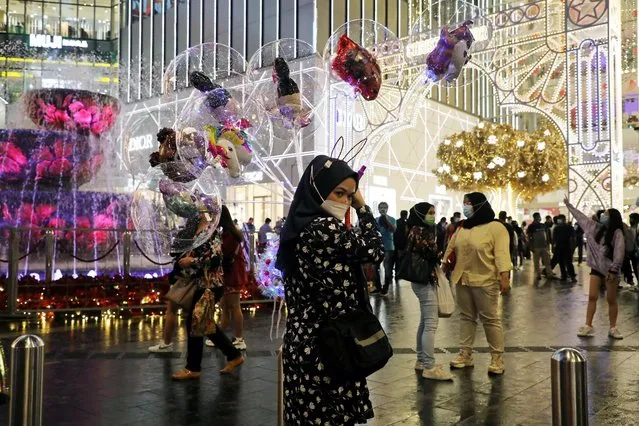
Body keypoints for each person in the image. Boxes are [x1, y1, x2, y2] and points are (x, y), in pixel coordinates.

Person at [276, 155, 384, 425]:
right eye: (339, 193)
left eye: (350, 196)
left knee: (309, 417)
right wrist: (364, 208)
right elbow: (374, 250)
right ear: (318, 189)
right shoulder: (323, 227)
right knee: (331, 417)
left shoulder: (300, 226)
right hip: (328, 345)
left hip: (305, 339)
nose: (345, 201)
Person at [444, 192, 511, 375]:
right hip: (462, 278)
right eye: (464, 203)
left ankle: (497, 357)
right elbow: (451, 247)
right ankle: (465, 354)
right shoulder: (463, 227)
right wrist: (442, 268)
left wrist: (504, 276)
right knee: (466, 317)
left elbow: (502, 253)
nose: (466, 206)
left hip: (485, 280)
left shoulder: (496, 227)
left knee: (490, 319)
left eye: (469, 203)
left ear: (479, 205)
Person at [172, 215, 244, 380]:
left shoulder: (210, 232)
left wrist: (192, 260)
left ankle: (193, 367)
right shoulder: (194, 232)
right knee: (202, 323)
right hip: (200, 283)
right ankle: (233, 355)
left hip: (211, 284)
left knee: (195, 322)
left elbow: (215, 258)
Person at [564, 196, 625, 339]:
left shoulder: (617, 233)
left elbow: (619, 252)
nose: (603, 215)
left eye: (606, 214)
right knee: (592, 296)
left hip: (611, 271)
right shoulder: (594, 228)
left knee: (611, 299)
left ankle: (613, 327)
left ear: (612, 218)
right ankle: (588, 325)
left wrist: (614, 269)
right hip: (596, 269)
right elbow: (580, 217)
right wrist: (569, 205)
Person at [406, 202, 453, 381]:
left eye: (434, 212)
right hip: (424, 280)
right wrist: (438, 252)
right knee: (431, 324)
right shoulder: (420, 231)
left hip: (421, 280)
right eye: (429, 212)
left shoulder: (415, 229)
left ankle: (421, 360)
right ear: (420, 214)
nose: (432, 215)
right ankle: (429, 366)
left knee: (425, 322)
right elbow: (432, 253)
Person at [218, 206, 248, 350]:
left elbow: (224, 254)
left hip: (232, 274)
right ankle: (220, 336)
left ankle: (239, 339)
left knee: (234, 306)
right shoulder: (230, 232)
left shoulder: (228, 234)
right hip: (233, 273)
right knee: (225, 306)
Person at [374, 202, 396, 295]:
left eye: (384, 207)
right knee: (375, 267)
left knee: (387, 267)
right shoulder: (376, 219)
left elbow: (393, 230)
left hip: (388, 246)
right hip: (378, 246)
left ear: (387, 209)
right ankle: (378, 287)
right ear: (378, 209)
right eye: (381, 207)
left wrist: (386, 219)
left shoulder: (392, 219)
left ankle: (386, 287)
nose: (383, 209)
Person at [527, 213, 555, 280]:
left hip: (544, 246)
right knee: (536, 262)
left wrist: (548, 244)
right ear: (535, 217)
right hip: (536, 247)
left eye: (539, 217)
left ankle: (549, 274)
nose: (539, 218)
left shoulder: (543, 225)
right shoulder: (531, 226)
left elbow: (547, 235)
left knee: (547, 261)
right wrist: (531, 246)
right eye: (538, 217)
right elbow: (529, 236)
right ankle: (538, 275)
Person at [553, 214, 577, 282]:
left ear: (564, 219)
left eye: (560, 219)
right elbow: (554, 238)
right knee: (561, 262)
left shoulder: (569, 227)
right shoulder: (556, 228)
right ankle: (564, 275)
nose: (559, 220)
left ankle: (572, 276)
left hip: (567, 246)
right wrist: (553, 247)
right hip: (559, 247)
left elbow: (573, 237)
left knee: (569, 262)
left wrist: (573, 247)